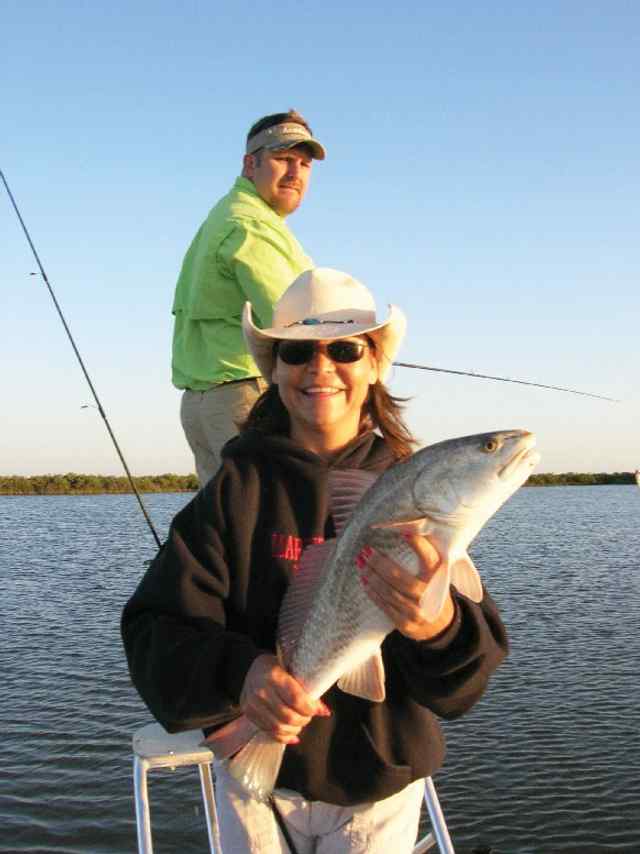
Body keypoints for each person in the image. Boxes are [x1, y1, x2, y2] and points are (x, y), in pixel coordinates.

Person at [122, 268, 508, 853]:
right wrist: (243, 673)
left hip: (375, 791)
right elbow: (153, 632)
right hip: (254, 790)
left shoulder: (414, 488)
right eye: (298, 352)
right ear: (274, 371)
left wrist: (437, 627)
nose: (320, 368)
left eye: (346, 348)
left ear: (375, 363)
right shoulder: (231, 493)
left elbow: (464, 685)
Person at [172, 109, 326, 485]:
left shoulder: (227, 214)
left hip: (206, 403)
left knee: (231, 531)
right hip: (245, 402)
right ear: (250, 164)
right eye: (283, 159)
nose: (295, 174)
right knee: (276, 528)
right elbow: (297, 324)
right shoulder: (250, 224)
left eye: (304, 164)